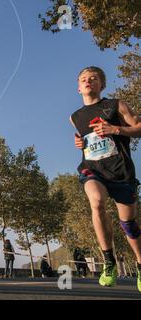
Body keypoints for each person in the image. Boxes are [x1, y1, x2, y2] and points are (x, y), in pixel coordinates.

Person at [70, 66, 141, 291]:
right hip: (93, 170)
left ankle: (140, 263)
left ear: (102, 84)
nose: (88, 81)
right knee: (97, 202)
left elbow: (139, 127)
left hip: (121, 172)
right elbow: (86, 139)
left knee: (129, 225)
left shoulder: (116, 105)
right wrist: (80, 143)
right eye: (84, 79)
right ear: (78, 87)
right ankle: (108, 262)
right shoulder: (75, 117)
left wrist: (115, 129)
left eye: (94, 78)